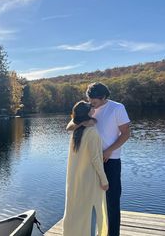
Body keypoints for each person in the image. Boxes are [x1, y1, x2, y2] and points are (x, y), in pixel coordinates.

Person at [66, 82, 130, 236]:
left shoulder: (117, 108)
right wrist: (84, 121)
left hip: (111, 160)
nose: (91, 103)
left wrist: (108, 151)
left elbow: (126, 134)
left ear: (104, 97)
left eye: (94, 101)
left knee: (112, 201)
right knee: (92, 202)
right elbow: (69, 126)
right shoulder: (89, 108)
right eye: (90, 100)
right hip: (90, 163)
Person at [63, 100, 109, 236]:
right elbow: (96, 159)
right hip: (90, 178)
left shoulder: (76, 132)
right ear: (88, 113)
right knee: (92, 210)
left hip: (76, 178)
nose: (93, 107)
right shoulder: (92, 133)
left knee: (77, 210)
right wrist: (104, 180)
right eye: (90, 108)